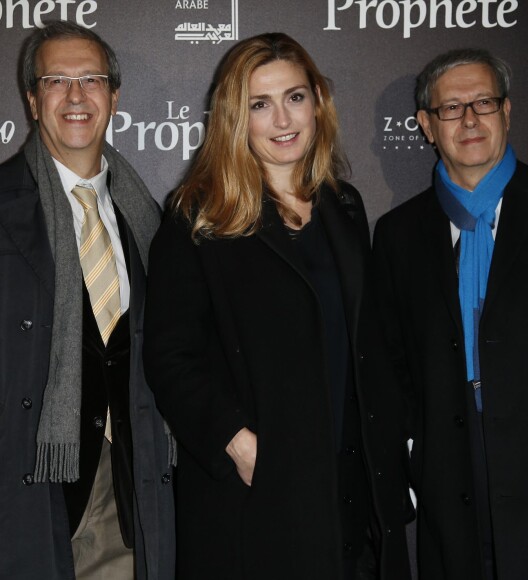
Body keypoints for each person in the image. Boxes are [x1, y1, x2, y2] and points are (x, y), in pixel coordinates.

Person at [144, 32, 412, 580]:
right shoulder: (199, 215)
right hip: (256, 497)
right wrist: (239, 445)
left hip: (348, 485)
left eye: (295, 96)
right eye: (259, 105)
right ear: (234, 117)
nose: (282, 119)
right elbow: (170, 355)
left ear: (318, 101)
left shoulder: (344, 205)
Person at [373, 48, 528, 580]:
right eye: (451, 108)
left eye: (484, 103)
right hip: (452, 486)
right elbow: (393, 364)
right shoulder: (397, 235)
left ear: (507, 112)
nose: (469, 119)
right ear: (425, 124)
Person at [0, 21, 175, 579]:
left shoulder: (153, 220)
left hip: (129, 488)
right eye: (56, 80)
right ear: (32, 100)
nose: (76, 95)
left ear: (114, 96)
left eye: (91, 79)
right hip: (28, 487)